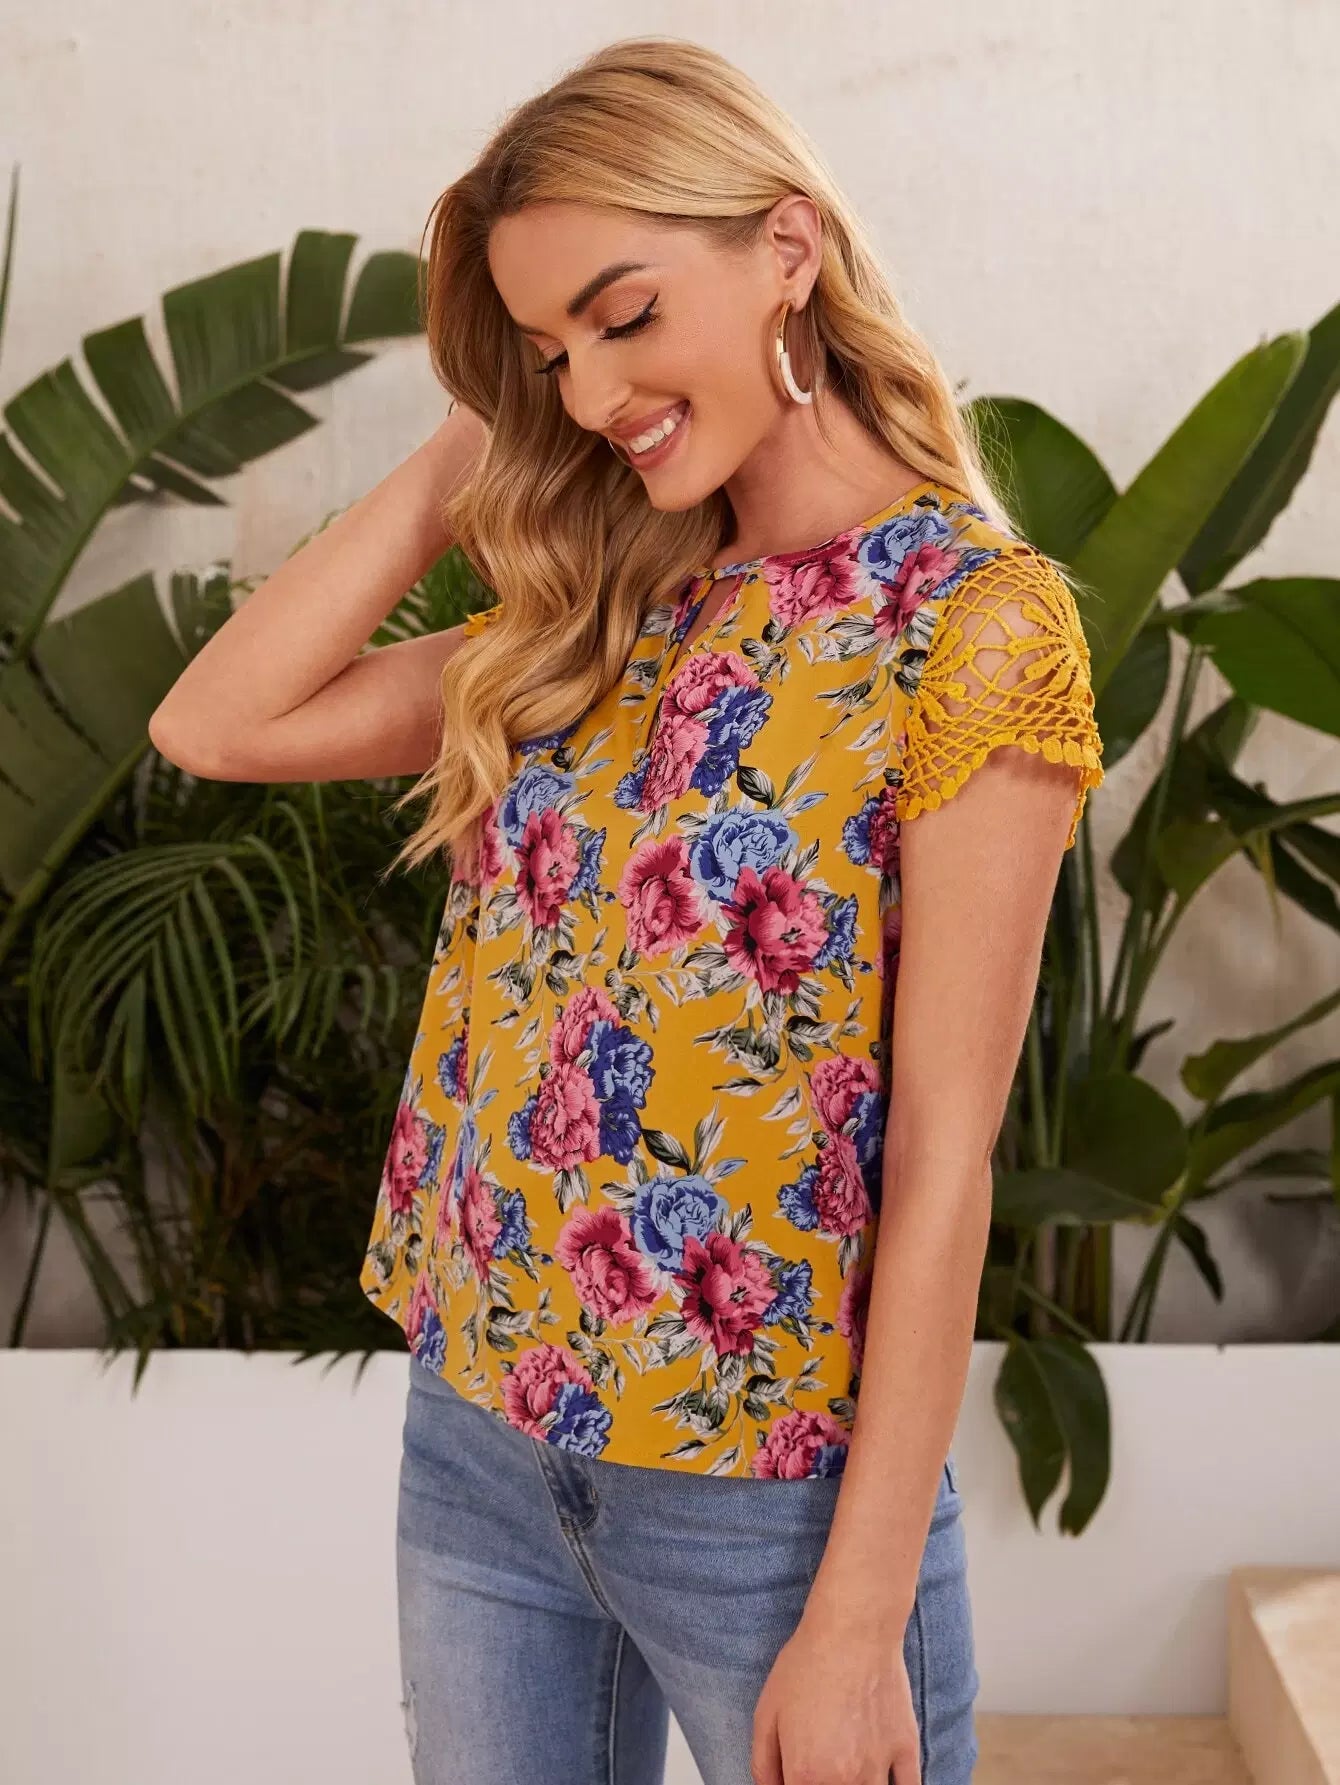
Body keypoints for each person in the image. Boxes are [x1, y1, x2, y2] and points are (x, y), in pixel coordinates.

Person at [149, 34, 1104, 1785]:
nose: (591, 391)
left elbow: (943, 1157)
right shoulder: (604, 604)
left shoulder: (969, 630)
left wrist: (857, 1617)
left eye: (624, 315)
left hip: (765, 1501)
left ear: (787, 250)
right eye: (549, 352)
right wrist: (470, 446)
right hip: (482, 1444)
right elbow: (218, 721)